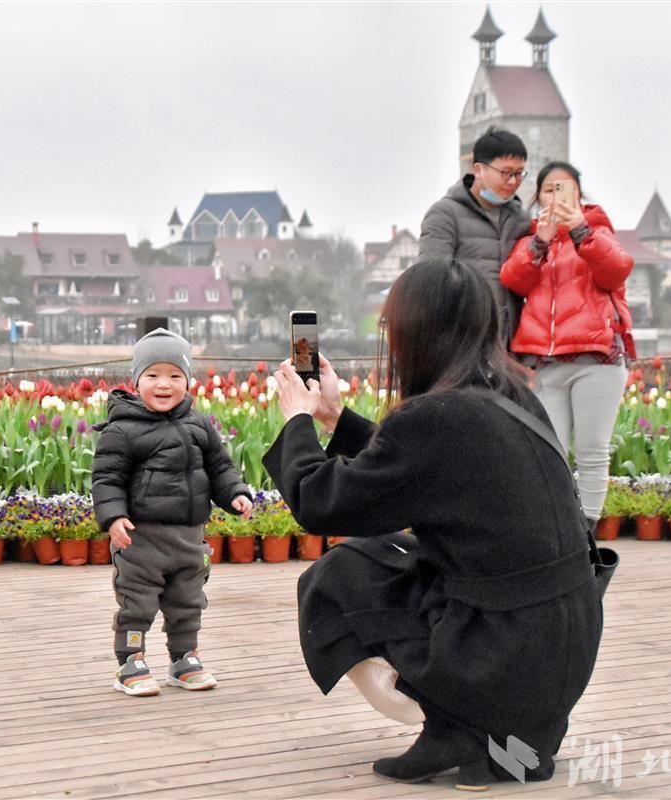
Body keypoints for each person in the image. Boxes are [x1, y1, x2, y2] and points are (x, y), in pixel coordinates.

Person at [263, 260, 602, 790]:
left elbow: (320, 503)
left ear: (412, 332)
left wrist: (297, 420)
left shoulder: (436, 417)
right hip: (562, 648)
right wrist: (337, 418)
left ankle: (461, 718)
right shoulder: (515, 395)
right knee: (395, 553)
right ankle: (474, 734)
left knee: (339, 575)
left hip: (502, 654)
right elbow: (428, 471)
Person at [91, 328, 254, 696]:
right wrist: (114, 517)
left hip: (188, 536)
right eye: (152, 375)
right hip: (141, 538)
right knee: (137, 601)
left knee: (187, 601)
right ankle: (130, 662)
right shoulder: (121, 430)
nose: (164, 384)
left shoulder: (198, 424)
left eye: (174, 375)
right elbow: (107, 479)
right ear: (136, 381)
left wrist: (235, 495)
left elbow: (220, 467)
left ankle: (184, 659)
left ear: (187, 381)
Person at [500, 161, 635, 525]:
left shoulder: (599, 231)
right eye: (549, 188)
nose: (556, 195)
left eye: (565, 187)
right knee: (550, 451)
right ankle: (560, 526)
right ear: (538, 196)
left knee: (592, 449)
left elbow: (617, 270)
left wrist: (581, 231)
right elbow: (513, 280)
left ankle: (588, 528)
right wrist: (541, 242)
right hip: (546, 363)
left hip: (596, 360)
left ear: (578, 193)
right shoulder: (531, 239)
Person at [418, 126, 531, 344]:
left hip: (510, 342)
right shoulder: (445, 214)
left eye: (520, 174)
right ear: (478, 169)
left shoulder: (521, 219)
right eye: (506, 172)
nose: (513, 181)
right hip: (463, 338)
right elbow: (431, 279)